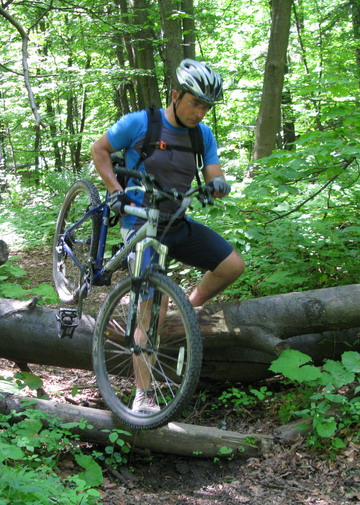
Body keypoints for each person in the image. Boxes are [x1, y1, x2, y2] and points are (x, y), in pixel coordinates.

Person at [90, 58, 244, 413]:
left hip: (175, 222)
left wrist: (218, 186)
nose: (200, 112)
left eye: (206, 107)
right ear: (175, 95)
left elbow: (215, 176)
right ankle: (142, 396)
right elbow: (100, 150)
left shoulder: (202, 135)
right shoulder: (140, 123)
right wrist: (115, 190)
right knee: (151, 311)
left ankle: (186, 308)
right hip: (139, 224)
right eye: (195, 103)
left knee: (232, 266)